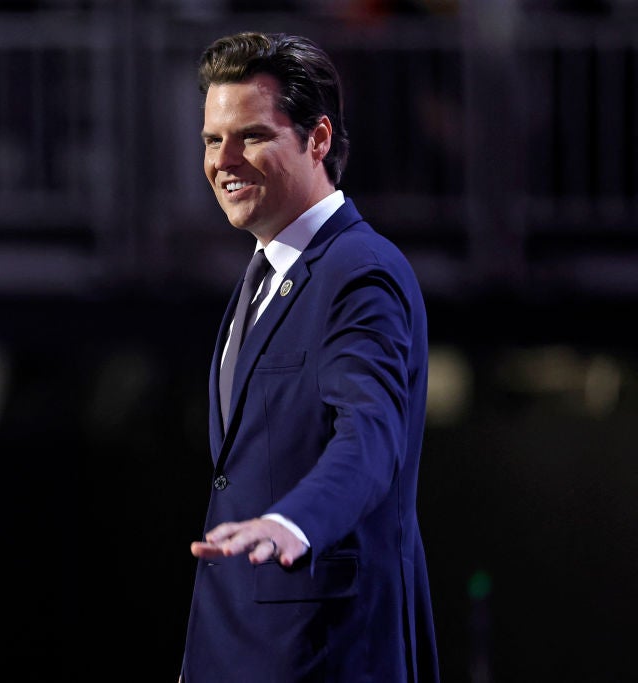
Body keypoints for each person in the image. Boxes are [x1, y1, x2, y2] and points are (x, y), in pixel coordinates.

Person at [179, 31, 440, 682]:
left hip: (327, 656)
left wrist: (295, 519)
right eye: (213, 140)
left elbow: (370, 437)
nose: (224, 160)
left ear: (317, 139)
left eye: (252, 136)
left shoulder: (359, 272)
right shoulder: (261, 274)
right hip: (245, 653)